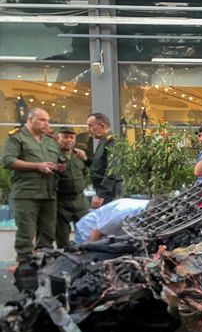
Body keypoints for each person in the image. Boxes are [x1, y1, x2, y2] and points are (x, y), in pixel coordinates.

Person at [1, 108, 60, 264]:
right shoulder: (17, 138)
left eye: (47, 120)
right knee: (26, 234)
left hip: (49, 194)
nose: (46, 123)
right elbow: (8, 160)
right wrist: (37, 166)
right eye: (42, 120)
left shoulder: (49, 140)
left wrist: (58, 166)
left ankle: (44, 265)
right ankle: (25, 268)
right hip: (27, 194)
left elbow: (59, 159)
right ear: (30, 119)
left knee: (48, 234)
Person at [55, 127, 90, 247]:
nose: (69, 140)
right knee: (62, 236)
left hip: (80, 201)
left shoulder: (79, 155)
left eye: (72, 137)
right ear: (58, 138)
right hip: (60, 202)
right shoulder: (52, 154)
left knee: (86, 233)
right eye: (65, 137)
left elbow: (85, 172)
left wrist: (85, 158)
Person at [80, 112, 120, 208]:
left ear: (102, 126)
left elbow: (112, 171)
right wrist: (86, 159)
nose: (89, 130)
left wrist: (101, 194)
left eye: (91, 126)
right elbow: (99, 166)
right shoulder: (103, 142)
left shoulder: (112, 142)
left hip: (109, 195)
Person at [74, 197, 149, 243]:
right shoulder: (122, 215)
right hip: (87, 232)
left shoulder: (152, 206)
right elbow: (96, 233)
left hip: (108, 233)